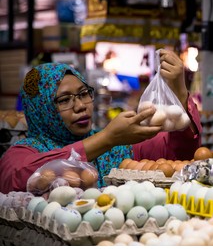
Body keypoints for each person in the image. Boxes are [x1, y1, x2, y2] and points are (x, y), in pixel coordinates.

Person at [0, 49, 202, 194]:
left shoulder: (118, 147)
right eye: (64, 100)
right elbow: (19, 177)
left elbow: (179, 151)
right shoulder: (22, 152)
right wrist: (107, 138)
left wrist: (180, 93)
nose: (80, 105)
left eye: (83, 94)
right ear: (41, 110)